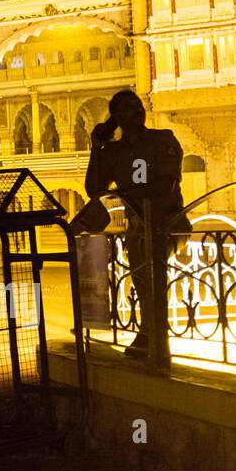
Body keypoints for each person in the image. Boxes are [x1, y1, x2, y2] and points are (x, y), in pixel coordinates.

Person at [84, 90, 190, 360]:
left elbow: (166, 183)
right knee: (143, 279)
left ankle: (154, 338)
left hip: (166, 221)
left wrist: (128, 197)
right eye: (128, 109)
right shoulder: (115, 151)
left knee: (151, 273)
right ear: (116, 118)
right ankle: (150, 335)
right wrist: (98, 145)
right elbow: (94, 188)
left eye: (138, 106)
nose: (137, 112)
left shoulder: (162, 139)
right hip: (138, 226)